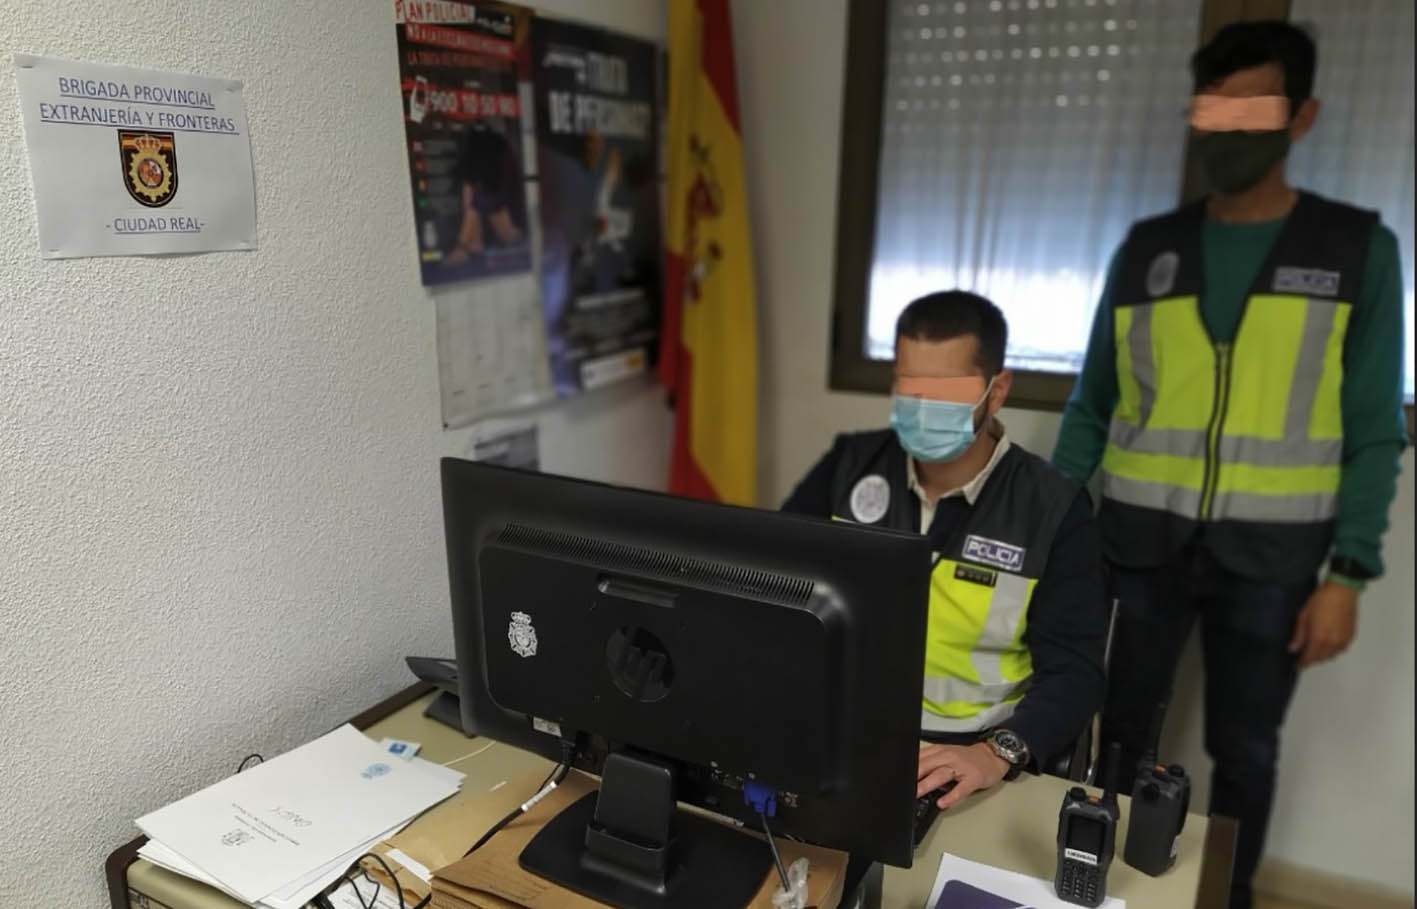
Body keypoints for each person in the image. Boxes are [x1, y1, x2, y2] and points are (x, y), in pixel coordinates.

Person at [1051, 21, 1407, 909]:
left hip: (1277, 561)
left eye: (1251, 109)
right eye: (1212, 110)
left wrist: (1349, 574)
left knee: (1243, 751)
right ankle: (1102, 888)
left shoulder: (1355, 249)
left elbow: (1372, 427)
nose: (1224, 130)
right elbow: (1091, 404)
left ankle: (1225, 897)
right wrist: (1054, 530)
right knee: (1121, 732)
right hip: (1136, 544)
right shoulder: (1146, 250)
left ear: (1301, 116)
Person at [783, 291, 1108, 810]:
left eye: (946, 391)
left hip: (971, 756)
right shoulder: (850, 467)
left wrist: (997, 752)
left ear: (996, 391)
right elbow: (770, 583)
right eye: (910, 389)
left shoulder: (1054, 509)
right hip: (844, 735)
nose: (923, 408)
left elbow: (1075, 672)